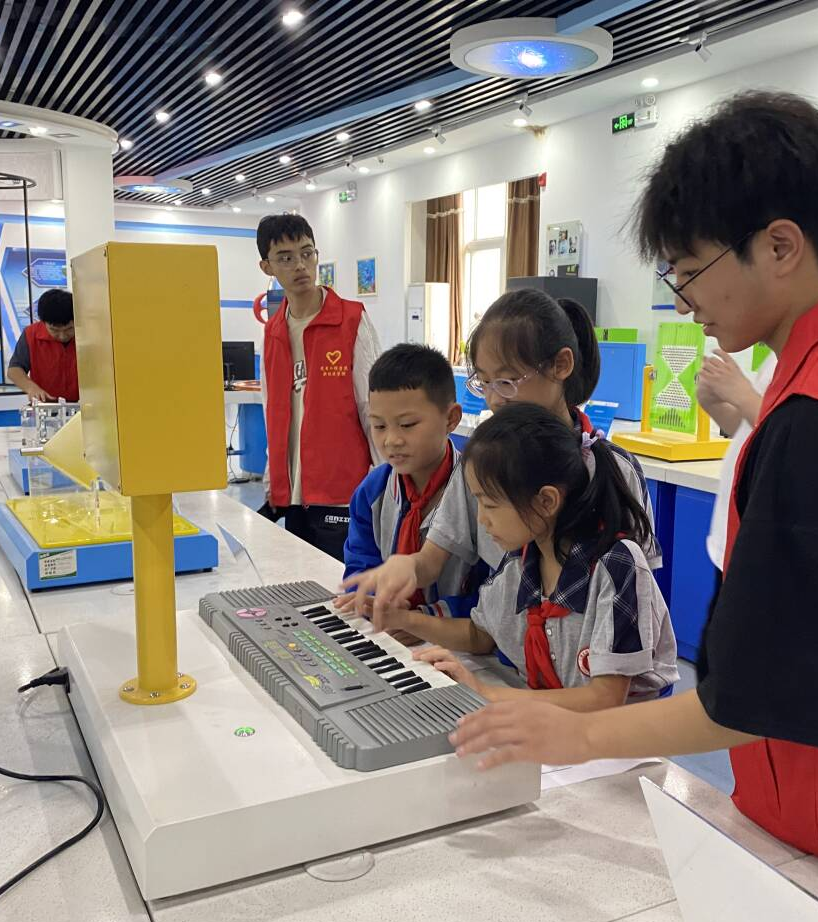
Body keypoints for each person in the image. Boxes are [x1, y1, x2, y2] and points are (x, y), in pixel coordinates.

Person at [448, 90, 818, 922]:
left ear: (779, 246)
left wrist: (571, 734)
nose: (683, 299)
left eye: (690, 269)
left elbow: (748, 700)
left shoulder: (813, 418)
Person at [343, 288, 660, 617]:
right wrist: (405, 569)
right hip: (503, 644)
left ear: (561, 365)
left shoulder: (612, 468)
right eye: (484, 383)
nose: (494, 399)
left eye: (507, 381)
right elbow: (431, 561)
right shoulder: (482, 462)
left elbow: (638, 589)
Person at [397, 404, 678, 709]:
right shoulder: (522, 561)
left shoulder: (616, 566)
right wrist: (403, 619)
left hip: (621, 730)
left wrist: (483, 691)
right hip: (555, 719)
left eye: (490, 505)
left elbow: (604, 698)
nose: (481, 520)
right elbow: (481, 634)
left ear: (546, 501)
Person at [257, 214, 380, 562]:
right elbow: (272, 411)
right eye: (285, 258)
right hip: (294, 495)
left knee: (343, 585)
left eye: (307, 253)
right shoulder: (273, 331)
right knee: (303, 583)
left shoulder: (351, 320)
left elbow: (373, 408)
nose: (300, 265)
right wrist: (273, 480)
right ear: (267, 267)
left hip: (343, 491)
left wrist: (381, 480)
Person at [341, 343, 484, 622]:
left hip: (462, 636)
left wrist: (425, 618)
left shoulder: (481, 493)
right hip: (390, 631)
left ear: (451, 419)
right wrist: (376, 602)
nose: (391, 440)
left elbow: (496, 590)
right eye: (379, 426)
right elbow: (361, 569)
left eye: (407, 425)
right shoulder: (371, 493)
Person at [695, 349, 774, 575]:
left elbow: (789, 436)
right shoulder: (774, 359)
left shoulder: (816, 361)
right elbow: (746, 431)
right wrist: (713, 404)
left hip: (759, 551)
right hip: (732, 540)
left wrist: (743, 394)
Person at [7, 289, 78, 403]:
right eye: (54, 330)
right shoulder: (31, 334)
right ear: (43, 322)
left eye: (69, 329)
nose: (62, 336)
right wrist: (31, 388)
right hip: (46, 405)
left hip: (86, 406)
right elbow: (14, 369)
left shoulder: (91, 334)